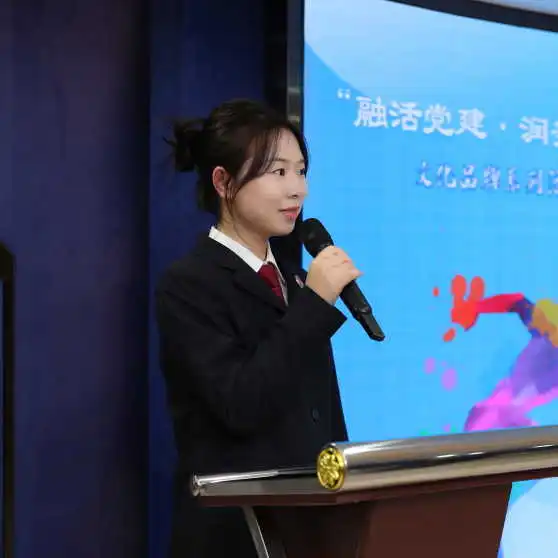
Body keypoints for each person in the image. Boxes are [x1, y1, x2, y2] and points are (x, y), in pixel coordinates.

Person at [155, 99, 360, 558]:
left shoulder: (295, 281)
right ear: (224, 182)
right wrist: (312, 307)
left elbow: (324, 414)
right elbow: (240, 404)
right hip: (236, 535)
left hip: (310, 531)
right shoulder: (189, 284)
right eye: (278, 172)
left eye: (301, 171)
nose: (297, 189)